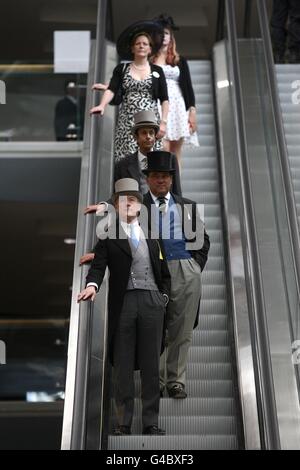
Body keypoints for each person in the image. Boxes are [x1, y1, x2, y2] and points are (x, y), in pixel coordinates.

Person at [78, 178, 170, 435]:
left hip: (152, 301)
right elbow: (98, 265)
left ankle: (150, 421)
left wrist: (163, 298)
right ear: (115, 207)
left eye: (132, 199)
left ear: (140, 205)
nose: (127, 204)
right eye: (122, 200)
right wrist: (92, 286)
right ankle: (123, 423)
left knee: (152, 365)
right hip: (125, 302)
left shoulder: (152, 235)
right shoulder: (108, 236)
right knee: (123, 364)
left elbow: (163, 272)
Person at [143, 151, 210, 398]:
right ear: (148, 179)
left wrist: (194, 265)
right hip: (151, 272)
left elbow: (203, 240)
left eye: (165, 176)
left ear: (171, 180)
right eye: (156, 176)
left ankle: (176, 381)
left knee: (182, 329)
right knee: (155, 327)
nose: (161, 180)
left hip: (185, 268)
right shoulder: (138, 206)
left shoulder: (187, 206)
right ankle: (156, 380)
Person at [80, 110, 182, 265]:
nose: (148, 136)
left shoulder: (169, 160)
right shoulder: (123, 165)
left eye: (151, 133)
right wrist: (104, 206)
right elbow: (118, 197)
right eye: (144, 133)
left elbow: (177, 192)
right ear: (136, 137)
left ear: (155, 136)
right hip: (135, 215)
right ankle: (99, 253)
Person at [90, 20, 169, 161]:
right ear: (132, 48)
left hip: (150, 123)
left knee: (150, 161)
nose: (141, 46)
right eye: (137, 44)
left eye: (145, 44)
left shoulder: (157, 71)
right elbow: (112, 89)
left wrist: (163, 122)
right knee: (127, 161)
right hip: (127, 122)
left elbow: (164, 99)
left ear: (150, 49)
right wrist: (102, 105)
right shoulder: (122, 69)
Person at [151, 14, 198, 169]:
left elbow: (188, 87)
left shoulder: (179, 60)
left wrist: (192, 111)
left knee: (175, 151)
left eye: (166, 33)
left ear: (171, 37)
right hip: (158, 104)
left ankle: (176, 189)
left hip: (178, 104)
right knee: (163, 148)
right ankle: (163, 187)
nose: (164, 37)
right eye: (160, 34)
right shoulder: (150, 60)